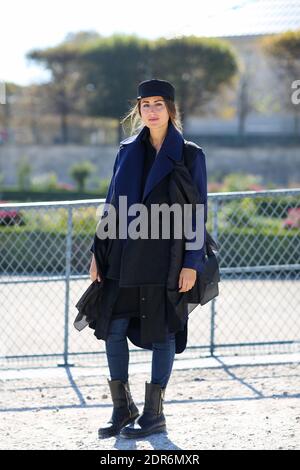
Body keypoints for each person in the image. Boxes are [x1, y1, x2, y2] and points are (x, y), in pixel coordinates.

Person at [89, 78, 208, 439]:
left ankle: (154, 415)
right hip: (122, 255)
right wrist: (97, 251)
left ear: (170, 109)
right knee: (113, 328)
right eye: (145, 104)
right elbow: (111, 203)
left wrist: (192, 261)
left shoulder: (190, 154)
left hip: (166, 258)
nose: (152, 110)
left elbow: (198, 213)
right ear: (138, 110)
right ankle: (122, 409)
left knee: (162, 332)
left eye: (159, 103)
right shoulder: (126, 149)